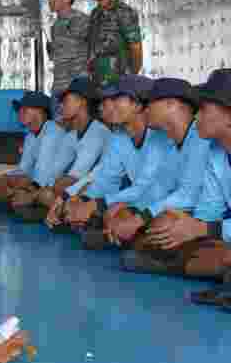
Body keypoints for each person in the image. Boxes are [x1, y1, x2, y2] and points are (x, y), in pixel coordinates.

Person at [111, 70, 231, 296]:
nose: (196, 117)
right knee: (170, 230)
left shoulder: (201, 143)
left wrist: (203, 228)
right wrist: (185, 228)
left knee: (218, 254)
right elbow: (208, 209)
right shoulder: (216, 152)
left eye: (203, 109)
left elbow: (197, 209)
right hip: (222, 233)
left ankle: (184, 263)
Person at [105, 78, 211, 255]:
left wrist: (140, 219)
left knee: (163, 223)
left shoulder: (201, 138)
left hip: (206, 216)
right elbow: (158, 188)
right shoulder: (169, 142)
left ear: (171, 104)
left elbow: (189, 194)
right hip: (184, 211)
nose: (145, 110)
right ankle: (145, 247)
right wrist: (131, 210)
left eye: (151, 103)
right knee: (122, 214)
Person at [46, 75, 155, 232]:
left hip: (160, 203)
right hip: (136, 198)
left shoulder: (158, 138)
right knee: (78, 208)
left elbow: (150, 189)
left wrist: (97, 204)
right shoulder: (119, 135)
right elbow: (105, 178)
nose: (109, 105)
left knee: (114, 217)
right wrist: (72, 198)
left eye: (116, 98)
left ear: (137, 105)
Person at [15, 77, 110, 223]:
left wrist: (33, 195)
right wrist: (36, 190)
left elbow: (76, 177)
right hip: (77, 188)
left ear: (82, 102)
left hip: (100, 190)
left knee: (50, 193)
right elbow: (54, 171)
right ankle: (65, 214)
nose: (61, 106)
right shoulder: (71, 135)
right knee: (47, 192)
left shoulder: (97, 132)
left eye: (65, 101)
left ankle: (74, 216)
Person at [0, 91, 66, 205]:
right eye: (19, 110)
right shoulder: (30, 136)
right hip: (39, 182)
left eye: (25, 109)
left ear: (40, 111)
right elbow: (24, 168)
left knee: (29, 195)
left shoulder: (52, 132)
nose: (20, 113)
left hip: (56, 185)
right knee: (2, 180)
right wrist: (6, 178)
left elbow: (42, 174)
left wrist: (22, 191)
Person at [83, 0, 142, 87]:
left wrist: (130, 78)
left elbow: (136, 49)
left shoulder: (124, 12)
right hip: (95, 83)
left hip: (117, 85)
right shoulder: (95, 13)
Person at [40, 0, 90, 101]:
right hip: (59, 87)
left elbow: (97, 50)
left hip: (77, 88)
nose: (50, 0)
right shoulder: (55, 26)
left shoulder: (81, 20)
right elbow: (57, 57)